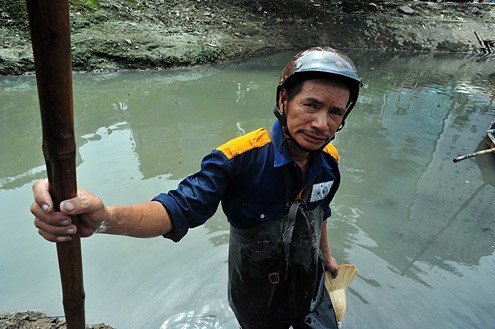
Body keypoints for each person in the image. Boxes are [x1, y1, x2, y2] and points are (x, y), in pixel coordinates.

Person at [30, 46, 362, 329]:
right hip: (256, 293)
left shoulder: (329, 161)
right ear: (284, 99)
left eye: (335, 112)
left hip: (310, 282)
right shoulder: (236, 159)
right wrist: (106, 217)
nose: (322, 124)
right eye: (311, 105)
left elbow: (321, 211)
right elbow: (174, 209)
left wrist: (327, 256)